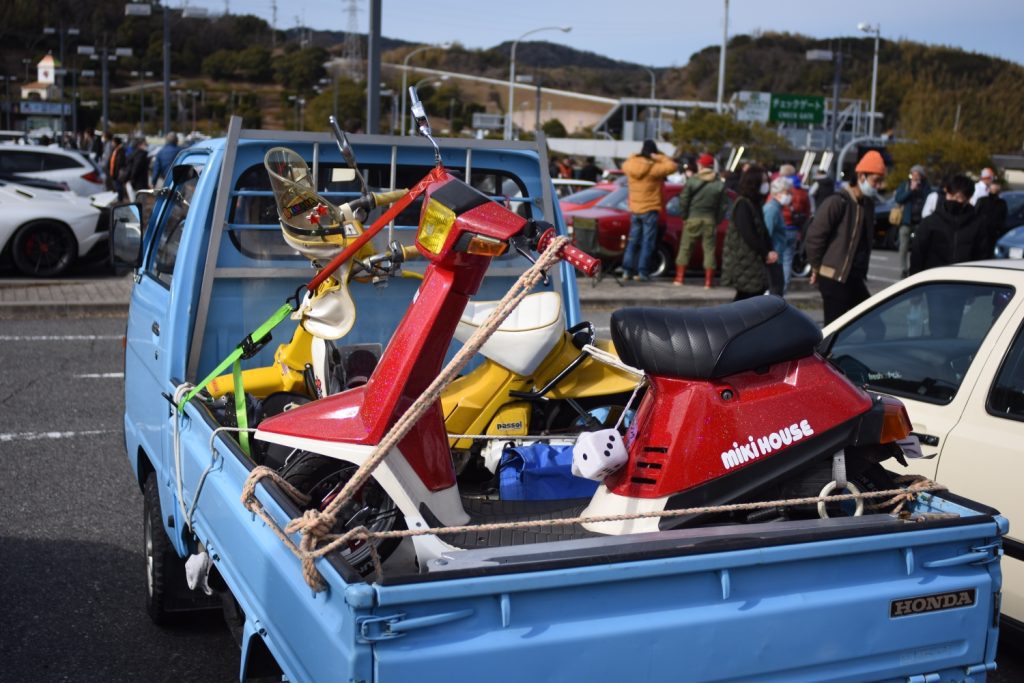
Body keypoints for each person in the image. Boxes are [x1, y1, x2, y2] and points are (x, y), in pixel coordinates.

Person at [805, 150, 886, 325]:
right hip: (834, 277)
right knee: (834, 330)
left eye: (880, 181)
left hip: (854, 277)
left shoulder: (867, 204)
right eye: (875, 181)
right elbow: (815, 237)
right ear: (861, 176)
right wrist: (817, 267)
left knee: (875, 326)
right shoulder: (838, 201)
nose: (878, 186)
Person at [619, 139, 677, 282]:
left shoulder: (630, 164)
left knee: (633, 241)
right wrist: (659, 157)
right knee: (647, 242)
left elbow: (625, 163)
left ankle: (627, 270)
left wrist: (635, 156)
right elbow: (672, 166)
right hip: (650, 209)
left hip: (635, 209)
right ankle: (642, 272)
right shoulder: (654, 169)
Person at [910, 174, 985, 275]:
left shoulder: (977, 225)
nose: (953, 200)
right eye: (950, 195)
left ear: (968, 198)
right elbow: (917, 255)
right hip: (932, 282)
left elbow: (982, 257)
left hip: (965, 282)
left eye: (958, 197)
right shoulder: (930, 223)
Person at [722, 165, 777, 301]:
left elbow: (762, 231)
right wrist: (765, 252)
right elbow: (749, 234)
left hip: (753, 260)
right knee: (747, 296)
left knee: (751, 295)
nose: (766, 185)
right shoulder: (743, 204)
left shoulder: (755, 203)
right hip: (745, 260)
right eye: (763, 181)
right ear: (754, 183)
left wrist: (769, 249)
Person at [674, 153, 728, 288]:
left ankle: (679, 279)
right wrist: (717, 220)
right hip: (709, 220)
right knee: (709, 250)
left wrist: (684, 216)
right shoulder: (719, 184)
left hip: (693, 218)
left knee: (685, 248)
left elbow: (683, 200)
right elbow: (723, 206)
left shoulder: (692, 181)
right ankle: (708, 282)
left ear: (701, 165)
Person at [772, 164, 810, 293]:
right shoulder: (801, 190)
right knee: (787, 260)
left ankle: (775, 290)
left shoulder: (778, 187)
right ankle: (783, 289)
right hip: (794, 229)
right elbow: (808, 211)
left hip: (780, 227)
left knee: (776, 260)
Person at [892, 165, 932, 277]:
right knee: (903, 246)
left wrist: (920, 189)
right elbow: (898, 199)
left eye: (917, 175)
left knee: (918, 246)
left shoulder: (925, 187)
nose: (914, 177)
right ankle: (904, 269)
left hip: (920, 221)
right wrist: (911, 190)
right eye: (912, 174)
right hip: (906, 221)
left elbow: (929, 199)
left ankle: (916, 268)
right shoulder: (905, 185)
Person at [762, 176, 792, 296]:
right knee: (775, 292)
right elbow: (766, 233)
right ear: (778, 193)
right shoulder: (772, 209)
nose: (789, 195)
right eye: (787, 192)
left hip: (775, 256)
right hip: (772, 258)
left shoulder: (775, 208)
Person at [975, 179, 1008, 257]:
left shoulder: (1002, 203)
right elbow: (975, 215)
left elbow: (1003, 219)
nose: (995, 188)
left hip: (994, 235)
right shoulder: (982, 201)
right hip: (981, 235)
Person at [108, 136, 127, 200]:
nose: (112, 144)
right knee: (117, 186)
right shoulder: (116, 150)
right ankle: (119, 198)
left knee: (119, 186)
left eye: (113, 142)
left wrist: (116, 172)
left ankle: (120, 199)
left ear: (116, 142)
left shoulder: (121, 150)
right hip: (114, 171)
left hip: (118, 172)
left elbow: (120, 162)